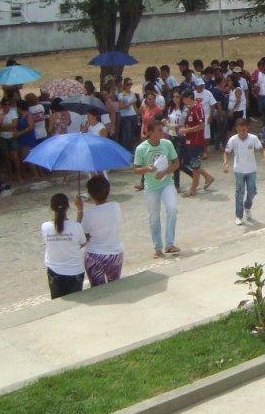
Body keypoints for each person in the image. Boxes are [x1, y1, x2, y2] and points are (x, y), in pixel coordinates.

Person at [134, 119, 181, 258]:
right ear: (151, 132)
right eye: (159, 130)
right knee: (154, 218)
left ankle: (169, 243)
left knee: (172, 209)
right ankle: (158, 248)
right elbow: (136, 169)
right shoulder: (141, 148)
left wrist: (166, 172)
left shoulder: (167, 144)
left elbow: (176, 162)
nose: (162, 132)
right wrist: (146, 169)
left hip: (166, 183)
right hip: (151, 187)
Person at [74, 175, 124, 287]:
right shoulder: (116, 206)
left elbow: (80, 236)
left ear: (90, 194)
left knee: (97, 290)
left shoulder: (89, 214)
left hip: (96, 256)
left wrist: (80, 209)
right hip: (115, 254)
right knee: (114, 287)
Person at [223, 117, 265, 225]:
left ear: (247, 128)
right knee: (239, 192)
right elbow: (226, 152)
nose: (242, 133)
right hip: (239, 170)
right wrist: (225, 163)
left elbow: (261, 149)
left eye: (243, 130)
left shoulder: (253, 138)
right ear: (236, 129)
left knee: (252, 191)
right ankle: (239, 216)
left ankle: (247, 207)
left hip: (251, 170)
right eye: (239, 131)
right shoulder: (233, 140)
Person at [41, 193, 86, 300]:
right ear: (68, 206)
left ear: (51, 208)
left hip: (54, 271)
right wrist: (80, 210)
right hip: (75, 271)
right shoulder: (76, 227)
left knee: (58, 305)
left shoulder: (45, 227)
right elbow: (82, 242)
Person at [179, 91, 215, 197]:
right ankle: (207, 177)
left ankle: (193, 188)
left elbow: (201, 125)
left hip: (195, 141)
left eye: (184, 98)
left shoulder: (198, 109)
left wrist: (187, 130)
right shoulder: (191, 109)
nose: (183, 100)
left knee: (195, 165)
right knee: (192, 163)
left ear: (188, 97)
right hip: (190, 140)